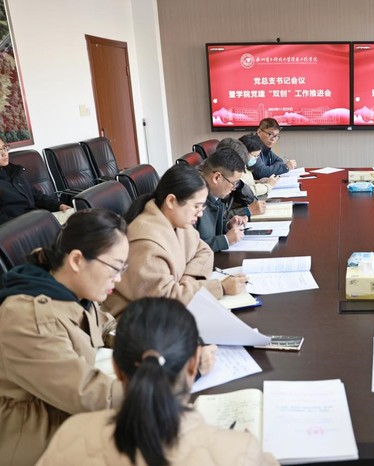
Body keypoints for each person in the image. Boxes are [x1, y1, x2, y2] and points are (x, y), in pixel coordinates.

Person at [36, 297, 279, 466]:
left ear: (117, 368)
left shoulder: (71, 434)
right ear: (194, 364)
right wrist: (261, 457)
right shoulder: (239, 451)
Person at [0, 209, 127, 465]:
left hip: (64, 408)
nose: (119, 278)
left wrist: (146, 344)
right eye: (114, 268)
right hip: (34, 437)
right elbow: (86, 393)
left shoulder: (71, 288)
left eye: (123, 268)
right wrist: (162, 388)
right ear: (77, 260)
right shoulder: (26, 318)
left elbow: (103, 326)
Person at [102, 164, 247, 318]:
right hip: (136, 321)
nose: (199, 214)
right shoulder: (145, 242)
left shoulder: (177, 221)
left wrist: (188, 279)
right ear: (171, 201)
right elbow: (166, 299)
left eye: (202, 207)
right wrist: (221, 287)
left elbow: (204, 251)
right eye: (196, 206)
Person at [0, 138, 71, 225]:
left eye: (4, 148)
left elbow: (36, 195)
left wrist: (58, 205)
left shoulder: (13, 172)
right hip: (21, 227)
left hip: (38, 218)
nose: (4, 153)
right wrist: (27, 224)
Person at [196, 145, 248, 253]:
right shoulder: (192, 200)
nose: (234, 188)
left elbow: (210, 229)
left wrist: (227, 225)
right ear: (217, 178)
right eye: (233, 183)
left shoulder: (213, 195)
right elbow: (190, 249)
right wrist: (225, 240)